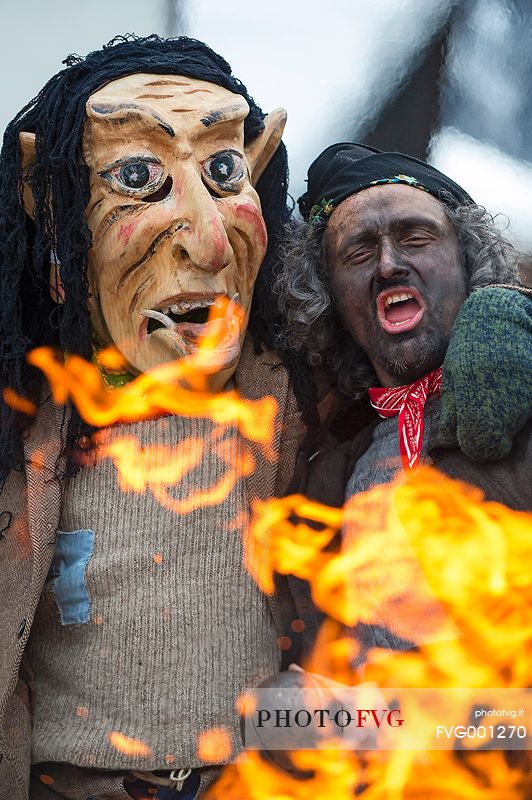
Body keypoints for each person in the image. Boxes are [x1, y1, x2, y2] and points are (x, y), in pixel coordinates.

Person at [0, 39, 529, 799]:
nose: (389, 266)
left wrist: (508, 314)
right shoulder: (332, 448)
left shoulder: (474, 417)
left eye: (224, 172)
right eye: (357, 251)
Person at [275, 141, 532, 654]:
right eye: (359, 251)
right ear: (330, 297)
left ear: (467, 261)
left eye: (415, 237)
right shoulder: (325, 465)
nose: (389, 264)